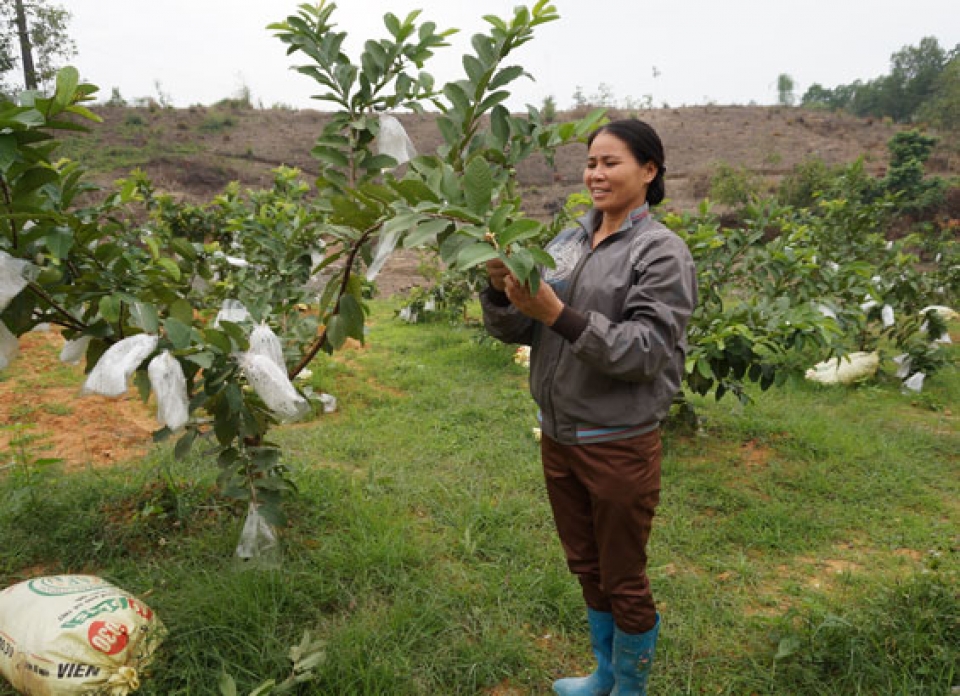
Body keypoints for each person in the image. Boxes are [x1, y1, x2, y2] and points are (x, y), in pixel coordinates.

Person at [480, 118, 698, 696]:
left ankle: (630, 687)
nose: (596, 174)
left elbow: (646, 351)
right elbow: (523, 325)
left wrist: (559, 314)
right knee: (586, 564)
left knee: (623, 576)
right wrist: (497, 291)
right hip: (560, 435)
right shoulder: (569, 241)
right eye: (591, 163)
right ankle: (605, 673)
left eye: (611, 163)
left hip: (617, 442)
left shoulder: (661, 252)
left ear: (649, 171)